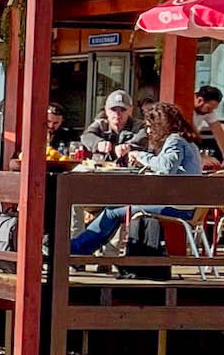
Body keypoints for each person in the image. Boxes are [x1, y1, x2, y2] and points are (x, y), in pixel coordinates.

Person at [71, 100, 206, 256]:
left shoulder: (174, 140)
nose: (148, 131)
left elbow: (167, 167)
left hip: (178, 206)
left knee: (112, 211)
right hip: (187, 204)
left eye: (150, 126)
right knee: (116, 209)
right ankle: (83, 248)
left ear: (160, 125)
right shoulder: (187, 140)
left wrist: (140, 156)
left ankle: (77, 248)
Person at [191, 85, 224, 164]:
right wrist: (199, 158)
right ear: (200, 100)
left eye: (213, 109)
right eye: (208, 108)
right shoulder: (185, 105)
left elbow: (219, 133)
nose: (210, 112)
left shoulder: (208, 111)